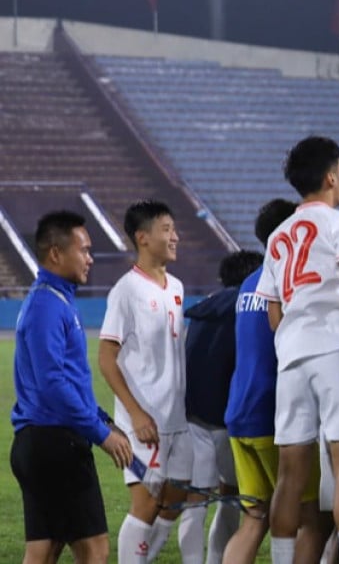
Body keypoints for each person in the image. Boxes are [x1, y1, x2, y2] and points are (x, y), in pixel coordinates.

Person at [257, 136, 339, 564]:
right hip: (336, 345)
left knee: (290, 474)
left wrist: (289, 339)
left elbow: (272, 306)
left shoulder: (278, 234)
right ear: (331, 175)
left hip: (293, 355)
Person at [11, 210, 132, 564]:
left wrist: (101, 418)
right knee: (94, 550)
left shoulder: (53, 299)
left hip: (41, 442)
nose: (90, 258)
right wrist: (100, 433)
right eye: (84, 249)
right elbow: (52, 384)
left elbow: (67, 380)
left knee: (44, 550)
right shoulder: (47, 305)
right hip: (55, 444)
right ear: (56, 253)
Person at [222, 200, 329, 564]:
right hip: (273, 414)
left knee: (255, 518)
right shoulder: (289, 282)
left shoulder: (250, 284)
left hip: (238, 411)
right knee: (313, 520)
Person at [98, 200, 196, 564]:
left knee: (175, 499)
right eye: (167, 229)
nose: (175, 236)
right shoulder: (126, 291)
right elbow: (106, 358)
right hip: (143, 423)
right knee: (146, 502)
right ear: (143, 237)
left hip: (175, 420)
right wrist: (136, 415)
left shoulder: (177, 287)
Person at [184, 249, 262, 564]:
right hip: (228, 419)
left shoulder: (205, 307)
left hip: (193, 415)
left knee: (195, 501)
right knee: (232, 497)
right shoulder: (245, 308)